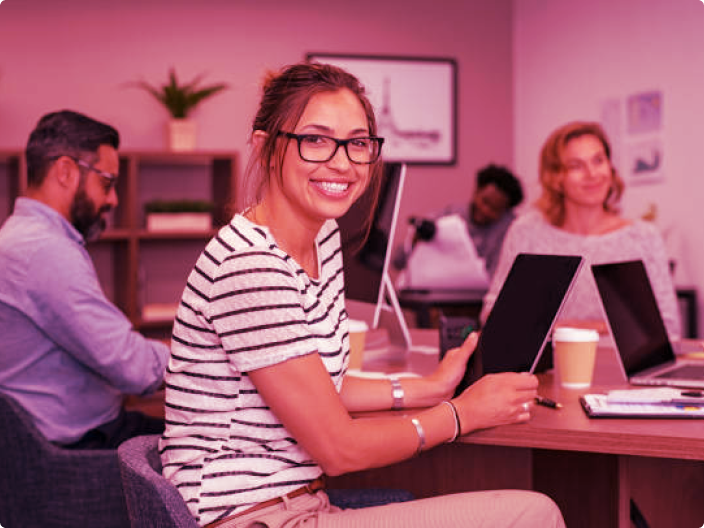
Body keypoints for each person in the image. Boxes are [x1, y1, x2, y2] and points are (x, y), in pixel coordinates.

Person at [160, 62, 565, 528]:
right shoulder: (251, 266)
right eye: (314, 139)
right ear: (265, 147)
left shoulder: (322, 237)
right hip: (253, 518)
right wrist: (461, 414)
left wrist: (426, 388)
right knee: (534, 514)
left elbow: (319, 388)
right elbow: (338, 448)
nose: (343, 162)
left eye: (357, 143)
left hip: (300, 504)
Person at [0, 110, 169, 448]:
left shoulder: (20, 237)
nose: (113, 199)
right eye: (107, 182)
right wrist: (202, 354)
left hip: (42, 444)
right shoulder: (43, 251)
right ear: (65, 171)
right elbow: (132, 367)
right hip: (76, 450)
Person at [481, 121, 681, 338]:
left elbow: (668, 329)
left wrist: (567, 328)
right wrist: (605, 328)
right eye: (576, 166)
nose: (592, 173)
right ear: (556, 178)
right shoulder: (526, 233)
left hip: (621, 370)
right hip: (544, 369)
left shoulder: (643, 238)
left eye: (599, 160)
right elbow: (493, 315)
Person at [394, 164, 523, 280]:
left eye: (495, 209)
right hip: (439, 295)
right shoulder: (449, 216)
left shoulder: (509, 229)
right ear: (476, 191)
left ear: (505, 211)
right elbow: (398, 261)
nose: (485, 210)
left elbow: (496, 279)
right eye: (485, 201)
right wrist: (414, 242)